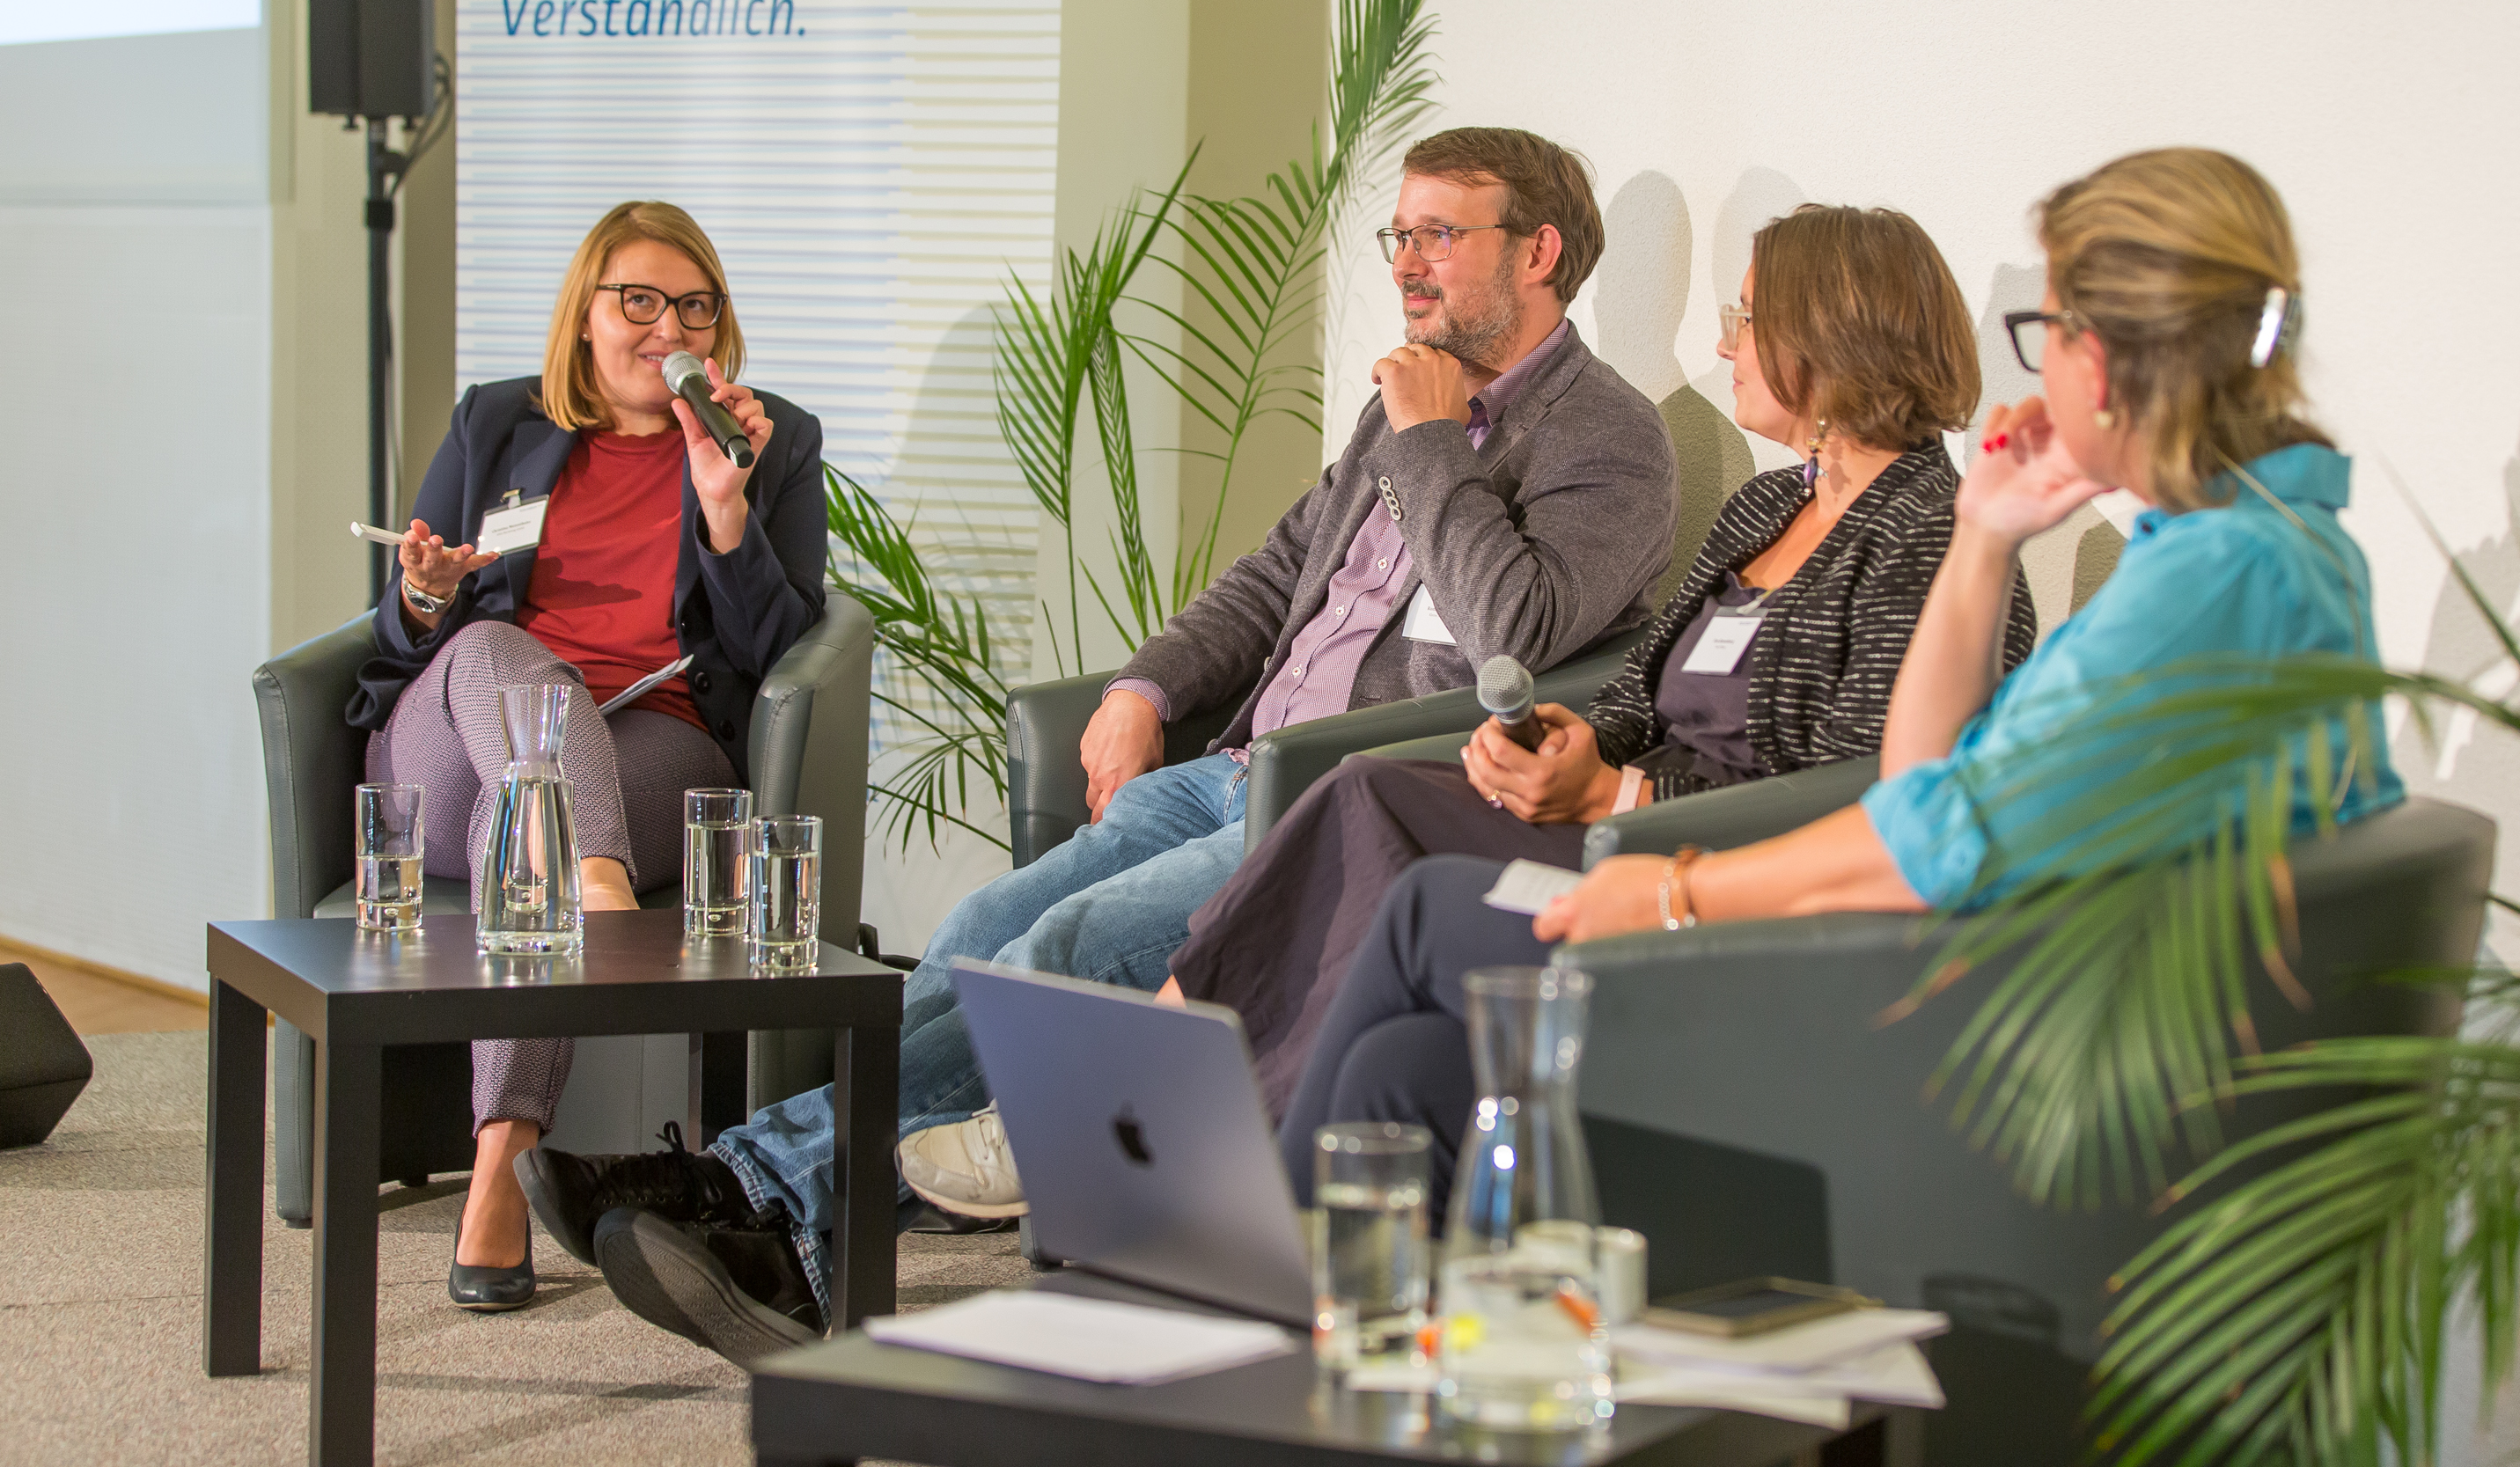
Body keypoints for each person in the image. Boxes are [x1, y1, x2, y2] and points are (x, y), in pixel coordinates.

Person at [528, 126, 1683, 1362]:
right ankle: (771, 1206)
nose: (1407, 263)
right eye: (1398, 234)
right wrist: (1142, 685)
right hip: (1226, 769)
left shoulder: (1605, 440)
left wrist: (1428, 444)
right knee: (977, 935)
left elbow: (1521, 625)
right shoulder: (1400, 393)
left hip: (1343, 800)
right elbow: (1280, 572)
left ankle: (750, 1192)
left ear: (1540, 251)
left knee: (1067, 950)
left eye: (1439, 235)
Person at [1279, 146, 2406, 1213]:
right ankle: (1317, 1321)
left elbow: (1929, 835)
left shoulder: (2216, 577)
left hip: (1927, 1022)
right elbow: (1926, 779)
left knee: (1429, 913)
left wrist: (1673, 889)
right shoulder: (2269, 549)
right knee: (1406, 1061)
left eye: (2044, 328)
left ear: (2099, 353)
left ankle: (1242, 1295)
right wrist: (1987, 531)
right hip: (1936, 976)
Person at [1168, 203, 2035, 1120]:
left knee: (1393, 891)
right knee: (1361, 789)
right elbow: (1637, 692)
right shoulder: (1767, 504)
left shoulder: (1929, 533)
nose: (1723, 342)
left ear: (1830, 338)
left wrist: (1619, 800)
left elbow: (1853, 789)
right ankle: (1181, 1083)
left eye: (1745, 319)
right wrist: (1568, 744)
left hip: (1703, 861)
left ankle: (1194, 1114)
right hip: (1609, 820)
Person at [350, 201, 825, 1310]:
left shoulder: (774, 439)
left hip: (656, 735)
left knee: (533, 819)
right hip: (457, 734)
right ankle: (594, 881)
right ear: (587, 311)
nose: (669, 328)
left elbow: (777, 650)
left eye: (694, 306)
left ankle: (496, 1171)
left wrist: (725, 509)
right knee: (490, 646)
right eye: (641, 301)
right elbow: (397, 628)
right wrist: (423, 592)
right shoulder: (494, 423)